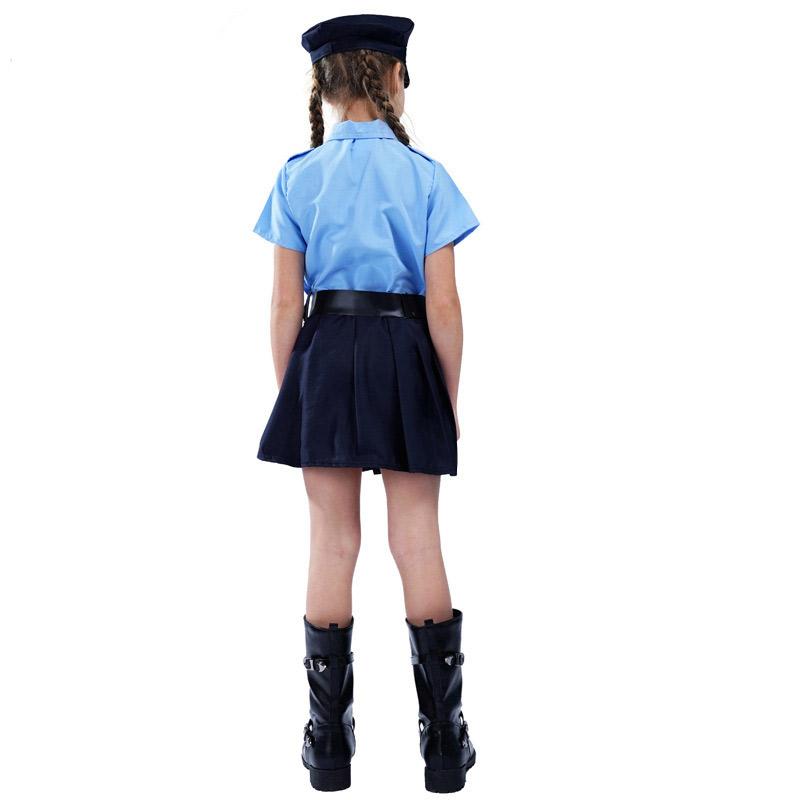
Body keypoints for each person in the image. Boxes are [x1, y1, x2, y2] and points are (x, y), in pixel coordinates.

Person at [252, 14, 479, 793]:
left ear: (324, 87)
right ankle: (444, 741)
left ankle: (328, 744)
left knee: (331, 541)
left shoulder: (297, 176)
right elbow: (445, 307)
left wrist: (295, 393)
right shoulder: (427, 177)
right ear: (393, 80)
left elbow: (284, 306)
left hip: (325, 353)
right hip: (407, 350)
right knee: (417, 538)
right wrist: (445, 397)